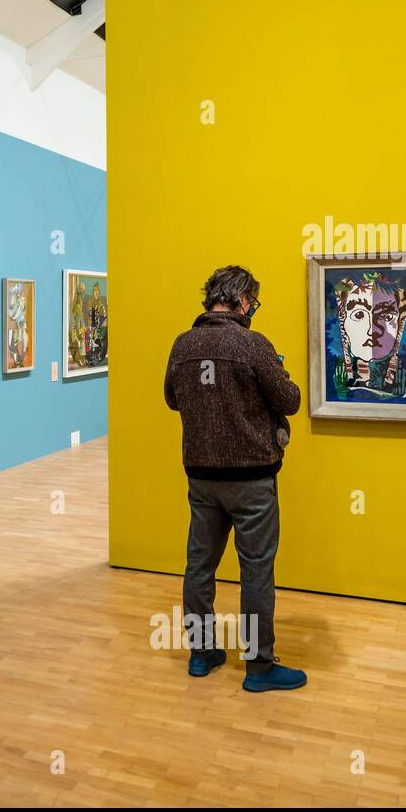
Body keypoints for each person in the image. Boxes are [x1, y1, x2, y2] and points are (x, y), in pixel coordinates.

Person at [162, 266, 306, 692]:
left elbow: (172, 399)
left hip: (202, 477)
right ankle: (259, 666)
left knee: (200, 565)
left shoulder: (182, 345)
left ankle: (201, 653)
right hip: (252, 479)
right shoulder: (252, 345)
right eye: (253, 303)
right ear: (242, 300)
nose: (253, 311)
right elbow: (290, 400)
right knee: (256, 570)